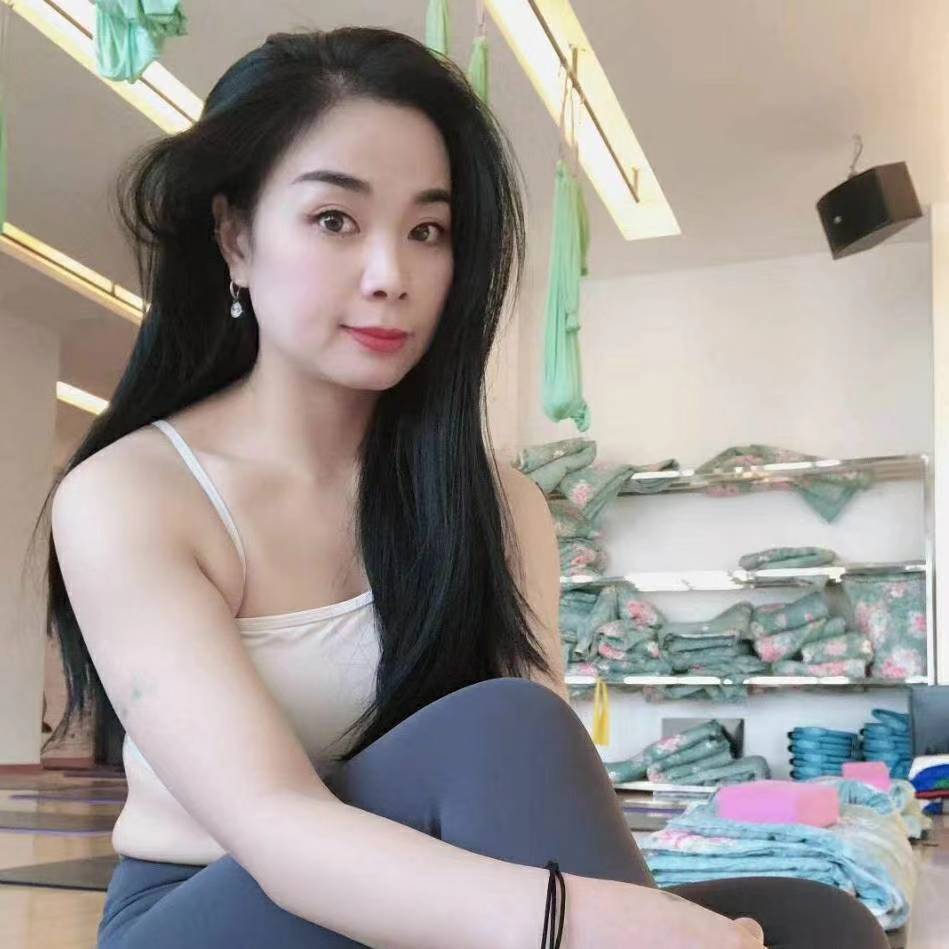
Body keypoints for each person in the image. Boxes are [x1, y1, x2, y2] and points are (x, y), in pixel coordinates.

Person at [40, 26, 889, 949]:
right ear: (235, 237)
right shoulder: (131, 494)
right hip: (222, 909)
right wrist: (593, 921)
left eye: (427, 231)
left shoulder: (499, 504)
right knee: (502, 728)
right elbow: (279, 828)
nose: (389, 275)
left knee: (818, 922)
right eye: (334, 220)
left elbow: (531, 798)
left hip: (420, 894)